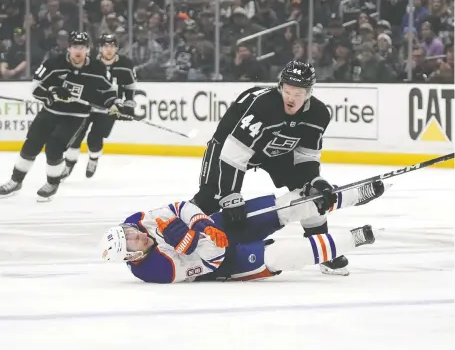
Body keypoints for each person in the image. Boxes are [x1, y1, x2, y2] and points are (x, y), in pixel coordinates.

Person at [190, 60, 385, 276]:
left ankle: (323, 250)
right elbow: (235, 153)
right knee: (211, 197)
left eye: (298, 93)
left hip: (274, 151)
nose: (291, 98)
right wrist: (230, 195)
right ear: (280, 86)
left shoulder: (319, 114)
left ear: (309, 93)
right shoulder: (264, 106)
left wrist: (314, 181)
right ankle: (175, 227)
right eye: (287, 90)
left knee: (310, 194)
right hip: (228, 146)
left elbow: (306, 155)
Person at [99, 184, 383, 284]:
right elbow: (210, 259)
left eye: (129, 231)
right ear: (133, 256)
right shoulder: (156, 270)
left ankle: (355, 194)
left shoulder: (135, 222)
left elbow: (179, 207)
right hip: (223, 262)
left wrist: (202, 224)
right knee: (282, 254)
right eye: (132, 239)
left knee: (284, 205)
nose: (135, 232)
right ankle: (355, 238)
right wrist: (193, 235)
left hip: (213, 226)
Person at [0, 31, 131, 202]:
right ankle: (15, 181)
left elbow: (108, 93)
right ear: (69, 48)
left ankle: (52, 183)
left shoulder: (98, 69)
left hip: (76, 116)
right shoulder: (54, 63)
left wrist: (115, 104)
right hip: (50, 112)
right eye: (75, 46)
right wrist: (52, 93)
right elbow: (36, 88)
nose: (78, 51)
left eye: (82, 47)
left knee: (54, 146)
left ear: (88, 49)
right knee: (31, 143)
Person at [61, 33, 138, 179]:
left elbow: (130, 87)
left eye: (112, 46)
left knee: (95, 138)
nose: (108, 49)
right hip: (87, 105)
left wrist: (128, 104)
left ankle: (93, 159)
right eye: (105, 46)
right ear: (99, 48)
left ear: (117, 48)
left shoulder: (126, 65)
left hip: (110, 108)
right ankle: (69, 163)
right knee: (76, 135)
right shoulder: (91, 63)